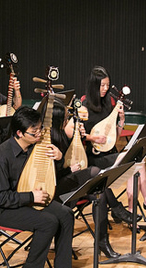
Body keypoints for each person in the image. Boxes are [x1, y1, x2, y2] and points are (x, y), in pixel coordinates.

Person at [0, 106, 85, 268]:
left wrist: (59, 158)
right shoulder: (1, 155)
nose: (39, 134)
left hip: (30, 200)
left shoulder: (34, 148)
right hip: (4, 208)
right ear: (19, 133)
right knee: (48, 221)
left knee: (66, 214)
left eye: (40, 129)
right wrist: (30, 197)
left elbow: (48, 177)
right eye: (34, 132)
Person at [79, 66, 146, 218]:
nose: (106, 89)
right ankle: (142, 204)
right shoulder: (84, 105)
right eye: (102, 85)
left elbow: (116, 137)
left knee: (136, 160)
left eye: (108, 85)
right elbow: (78, 136)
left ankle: (133, 209)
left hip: (109, 153)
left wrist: (121, 120)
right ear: (94, 85)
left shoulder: (108, 103)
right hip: (93, 158)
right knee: (133, 161)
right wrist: (93, 138)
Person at [51, 99, 121, 258]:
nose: (67, 121)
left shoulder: (63, 135)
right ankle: (116, 209)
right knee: (95, 172)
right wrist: (70, 169)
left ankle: (102, 241)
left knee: (99, 193)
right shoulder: (47, 140)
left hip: (69, 182)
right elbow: (52, 176)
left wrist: (79, 135)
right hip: (56, 189)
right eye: (65, 119)